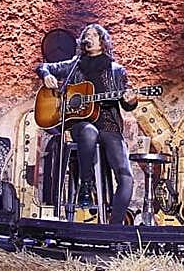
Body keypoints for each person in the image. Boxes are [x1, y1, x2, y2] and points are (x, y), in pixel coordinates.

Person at [37, 23, 139, 224]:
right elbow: (42, 66)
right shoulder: (75, 65)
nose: (89, 38)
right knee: (88, 131)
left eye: (94, 35)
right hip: (82, 124)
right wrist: (47, 75)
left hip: (109, 125)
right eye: (87, 35)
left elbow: (127, 105)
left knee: (126, 176)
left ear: (103, 41)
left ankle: (115, 226)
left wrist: (131, 100)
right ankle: (86, 184)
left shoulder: (117, 71)